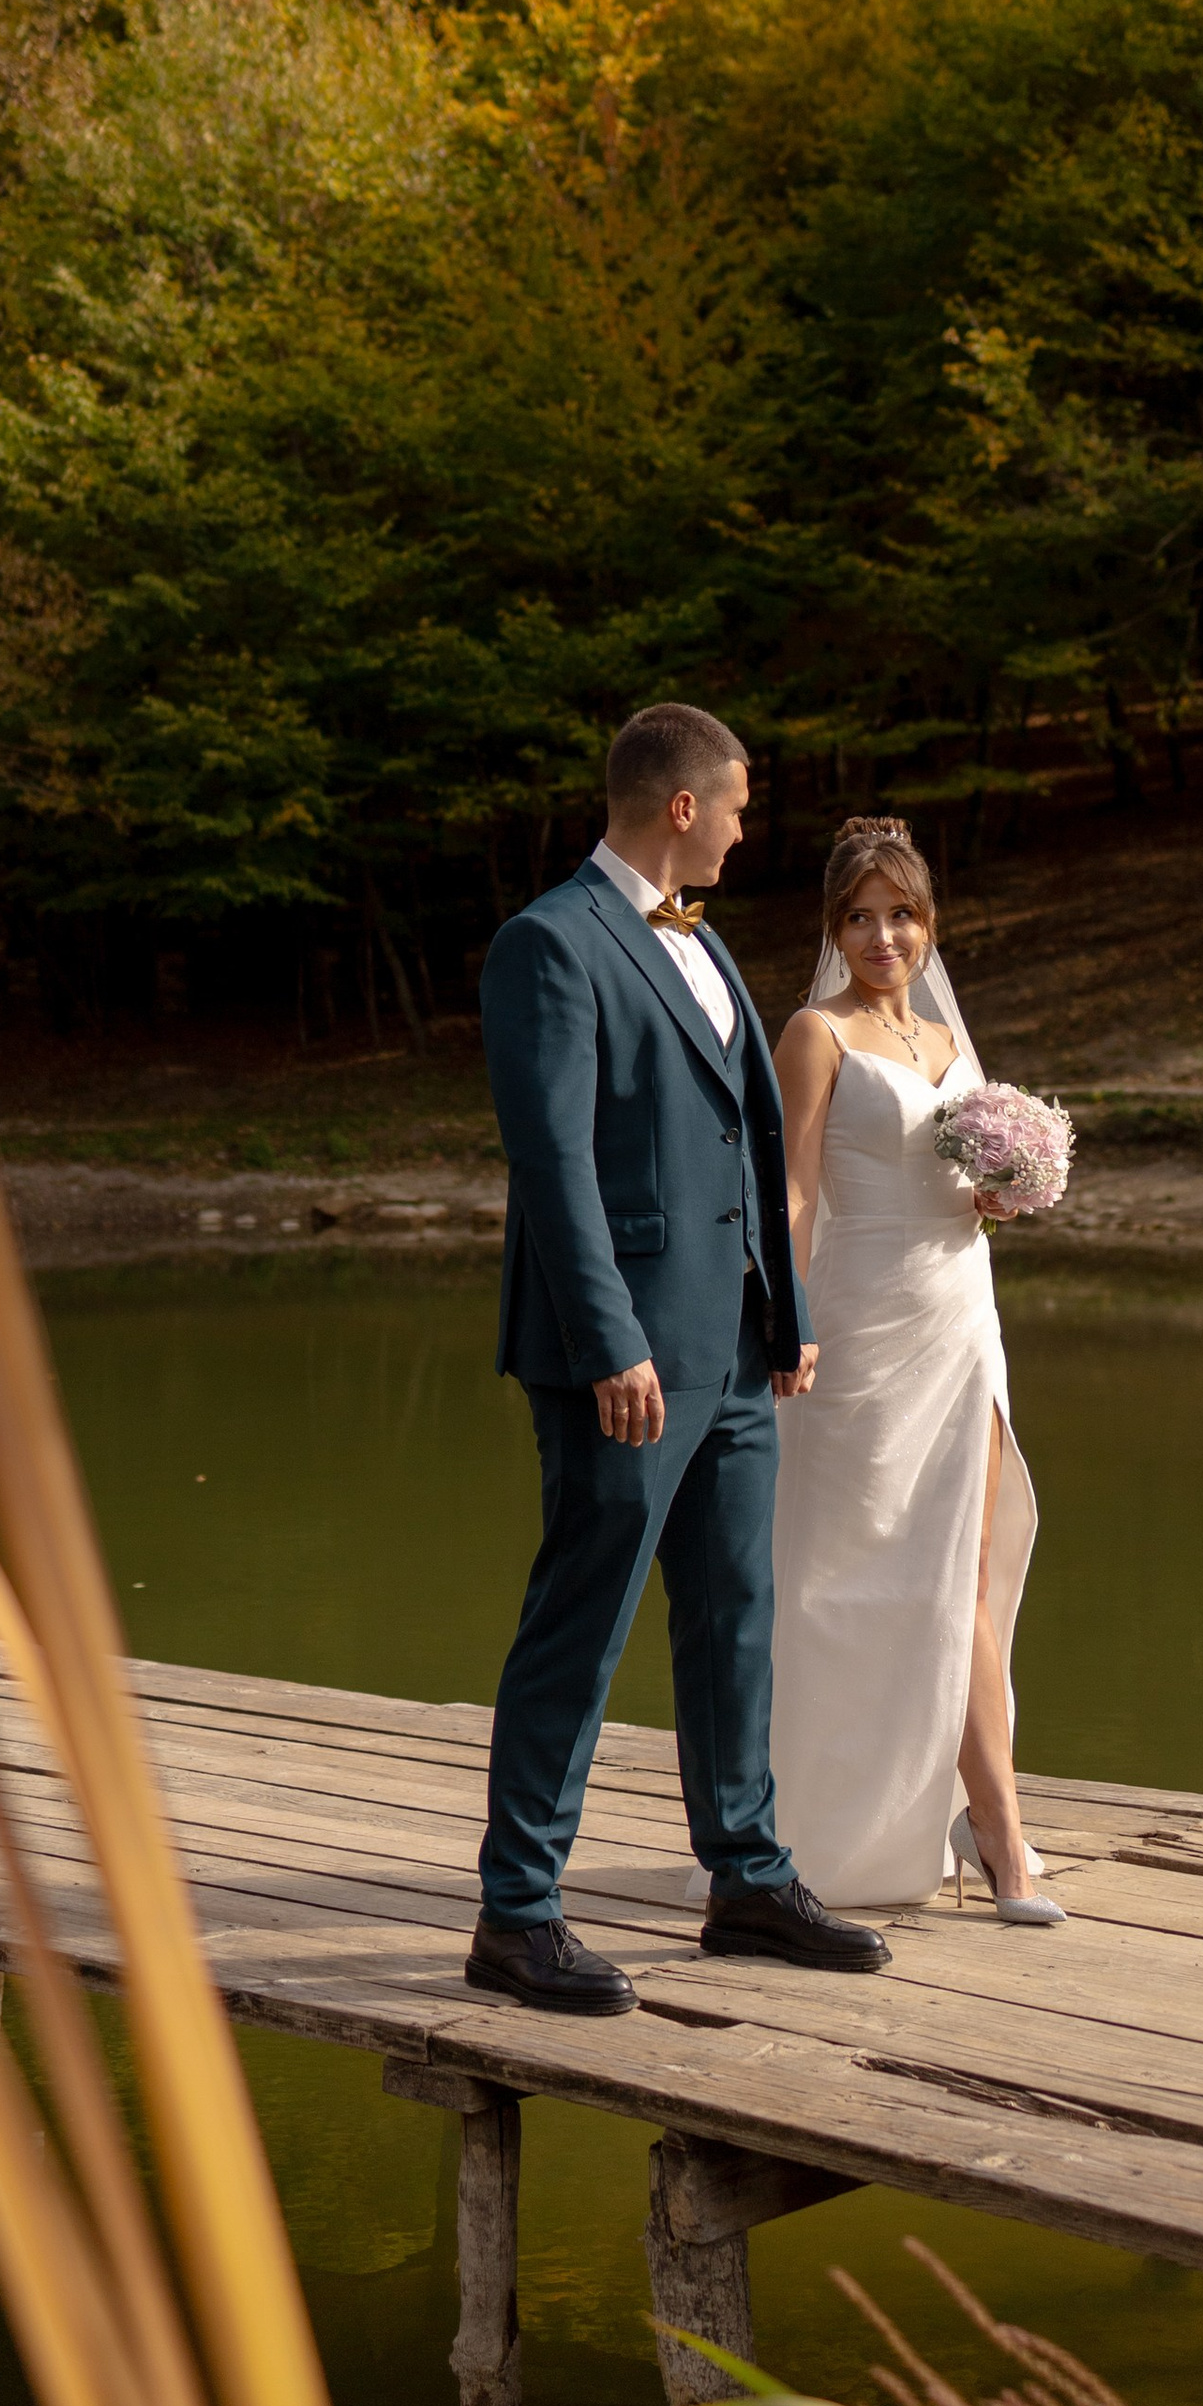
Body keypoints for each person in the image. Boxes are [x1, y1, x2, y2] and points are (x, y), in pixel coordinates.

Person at [469, 704, 893, 2014]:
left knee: (734, 1621)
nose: (753, 825)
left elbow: (743, 1151)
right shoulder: (549, 945)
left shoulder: (703, 945)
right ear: (682, 808)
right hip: (629, 1358)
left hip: (734, 1344)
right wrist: (613, 1343)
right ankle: (517, 1913)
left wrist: (787, 1311)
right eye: (743, 803)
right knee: (581, 1625)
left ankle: (747, 1878)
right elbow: (553, 1166)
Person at [766, 817, 1066, 1926]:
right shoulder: (814, 1034)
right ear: (833, 929)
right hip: (854, 1329)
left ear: (928, 923)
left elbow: (962, 1178)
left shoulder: (949, 1046)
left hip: (959, 1320)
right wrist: (781, 1318)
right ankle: (883, 1823)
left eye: (899, 913)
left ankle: (993, 1826)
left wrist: (1002, 1189)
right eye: (858, 916)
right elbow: (794, 1192)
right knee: (847, 1582)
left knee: (971, 1571)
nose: (881, 934)